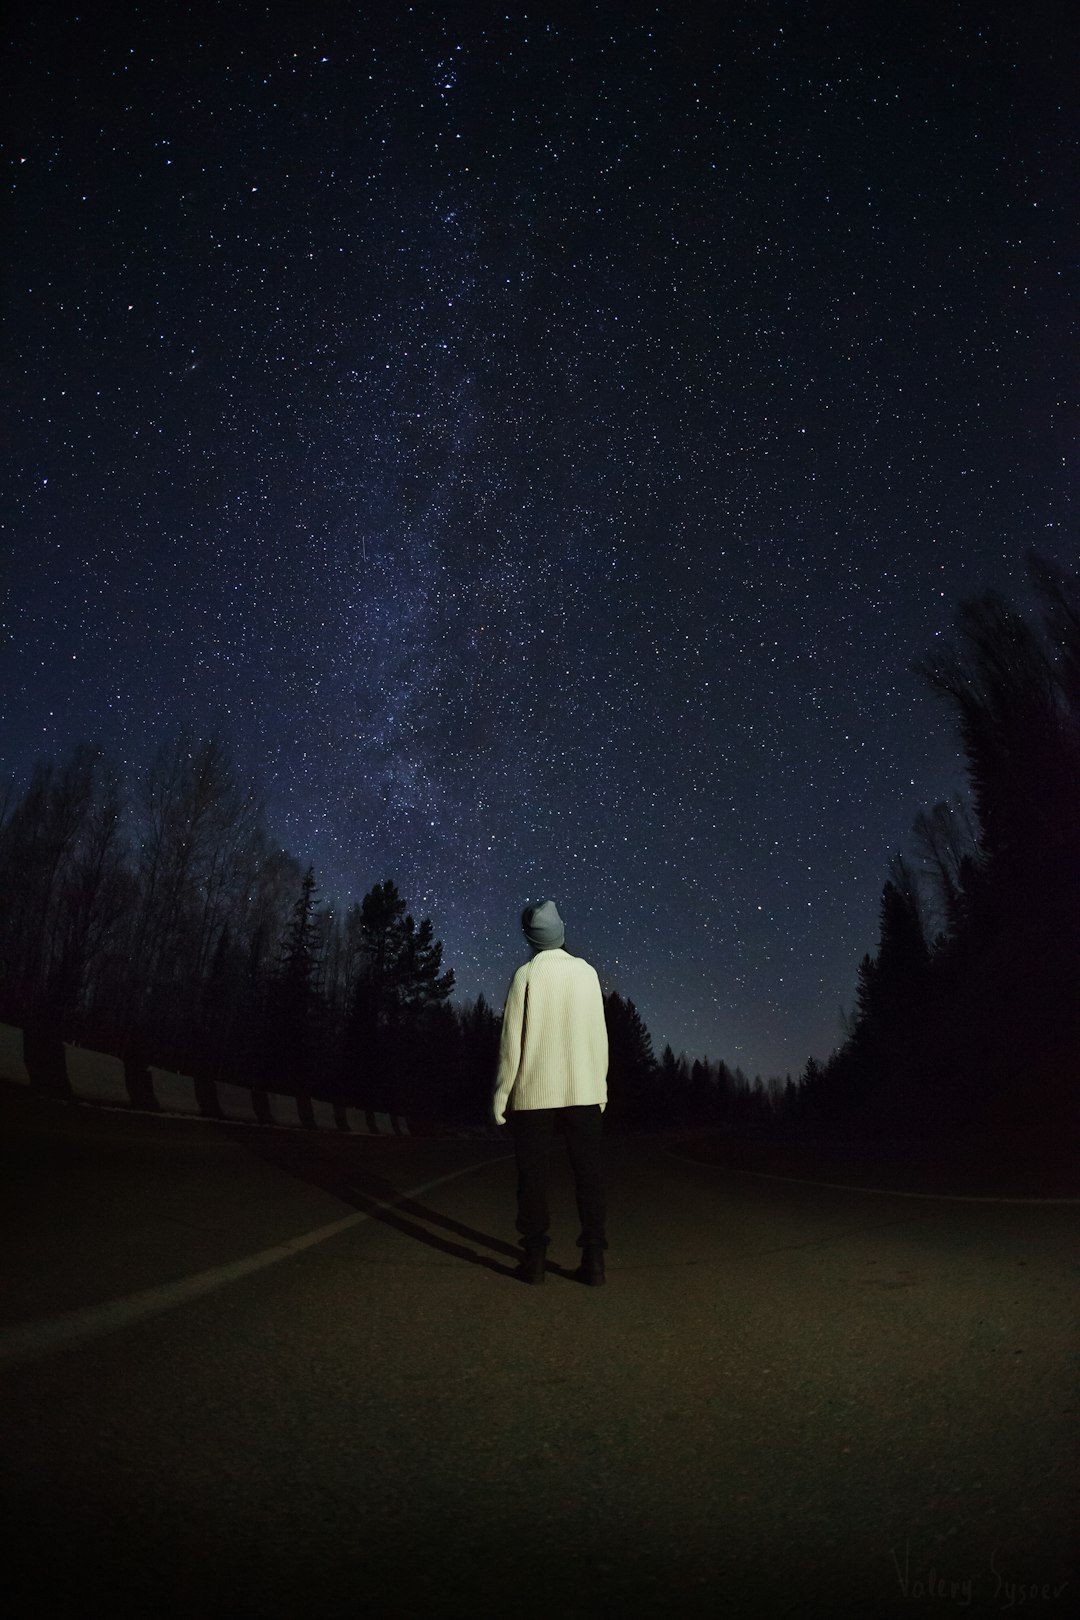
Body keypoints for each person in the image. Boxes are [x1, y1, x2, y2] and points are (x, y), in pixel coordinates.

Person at [492, 900, 610, 1286]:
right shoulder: (587, 973)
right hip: (584, 1089)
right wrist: (601, 1087)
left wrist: (501, 1098)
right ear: (561, 932)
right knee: (589, 1175)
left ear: (530, 938)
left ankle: (535, 1259)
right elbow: (599, 1036)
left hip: (533, 1094)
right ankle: (593, 1260)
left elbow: (511, 1045)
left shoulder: (526, 975)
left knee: (533, 1177)